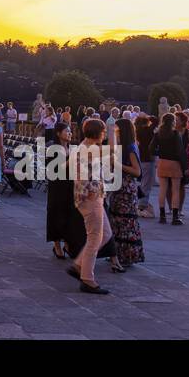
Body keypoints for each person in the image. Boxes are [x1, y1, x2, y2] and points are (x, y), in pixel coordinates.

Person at [70, 119, 112, 295]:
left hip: (92, 197)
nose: (105, 135)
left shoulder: (86, 146)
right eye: (103, 132)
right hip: (91, 198)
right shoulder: (89, 149)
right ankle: (87, 279)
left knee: (106, 234)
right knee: (95, 237)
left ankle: (79, 265)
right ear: (98, 133)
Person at [109, 116, 144, 271]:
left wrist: (118, 165)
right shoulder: (122, 146)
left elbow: (137, 171)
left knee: (125, 221)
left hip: (126, 187)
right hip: (119, 185)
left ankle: (127, 254)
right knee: (117, 220)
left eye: (117, 129)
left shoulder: (130, 147)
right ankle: (117, 253)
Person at [45, 121, 75, 259]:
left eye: (70, 131)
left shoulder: (72, 148)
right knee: (56, 212)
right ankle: (57, 244)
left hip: (70, 184)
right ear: (58, 133)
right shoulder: (53, 148)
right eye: (66, 131)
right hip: (57, 184)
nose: (70, 133)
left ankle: (68, 242)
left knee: (69, 214)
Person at [154, 113, 186, 225]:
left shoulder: (158, 134)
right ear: (173, 122)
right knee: (175, 190)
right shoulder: (176, 134)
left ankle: (162, 216)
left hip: (162, 162)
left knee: (162, 189)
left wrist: (159, 153)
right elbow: (180, 151)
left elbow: (151, 148)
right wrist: (184, 166)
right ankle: (175, 217)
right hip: (174, 163)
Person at [134, 113, 156, 217]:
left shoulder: (137, 131)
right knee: (147, 183)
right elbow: (156, 120)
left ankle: (141, 203)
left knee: (143, 183)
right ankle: (142, 206)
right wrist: (148, 116)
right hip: (148, 159)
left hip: (141, 159)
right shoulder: (147, 131)